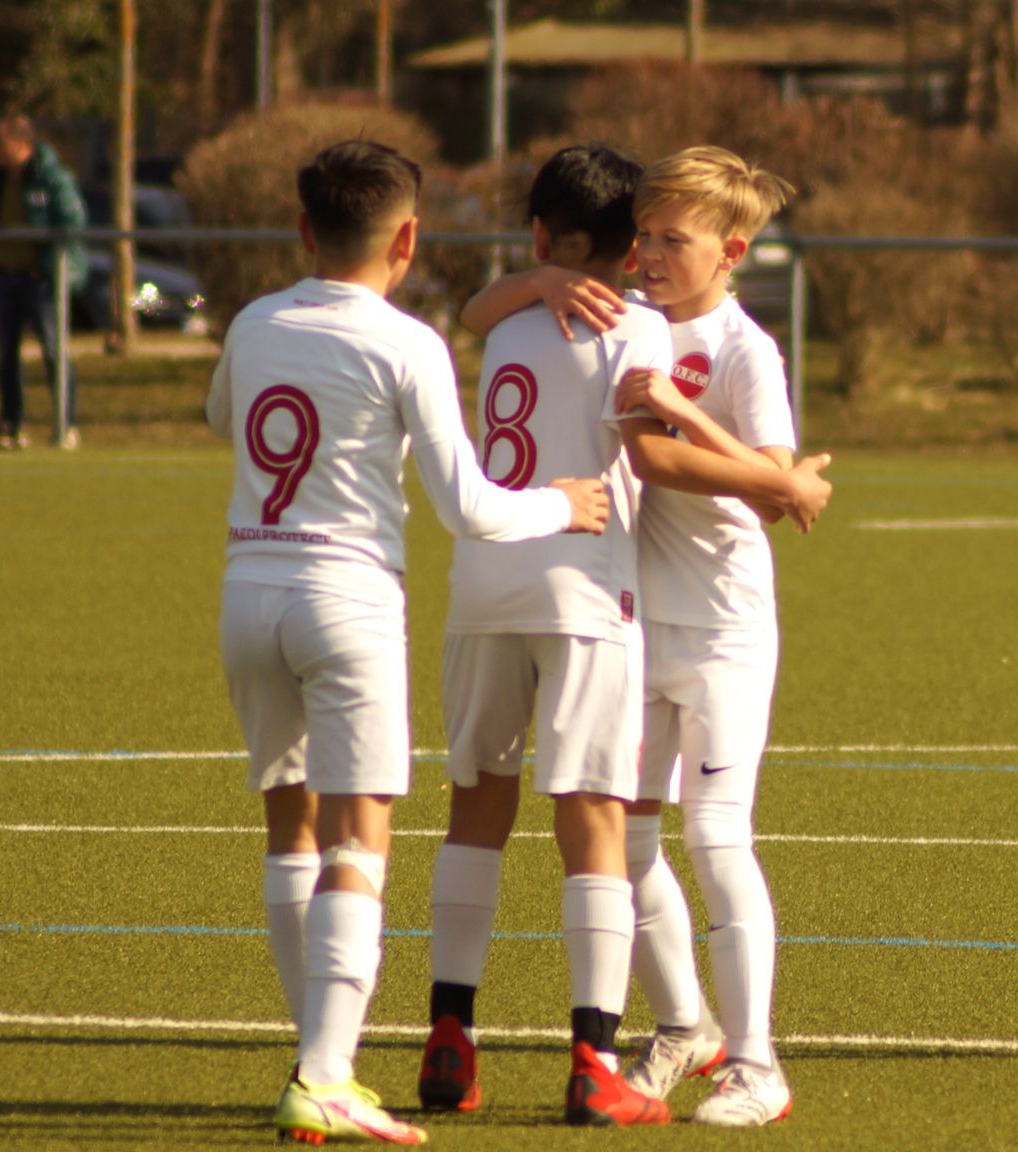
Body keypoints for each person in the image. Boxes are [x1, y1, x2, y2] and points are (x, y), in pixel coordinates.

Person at [204, 138, 610, 1146]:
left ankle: (316, 1059)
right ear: (408, 238)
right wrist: (560, 503)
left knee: (290, 831)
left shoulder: (253, 322)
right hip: (344, 601)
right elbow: (468, 506)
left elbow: (223, 418)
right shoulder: (406, 342)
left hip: (247, 591)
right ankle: (326, 1075)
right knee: (357, 837)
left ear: (305, 230)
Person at [416, 143, 831, 1128]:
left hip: (721, 622)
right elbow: (682, 462)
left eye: (672, 238)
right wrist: (783, 483)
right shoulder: (622, 316)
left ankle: (758, 1065)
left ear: (730, 252)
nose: (648, 253)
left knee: (715, 836)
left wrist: (734, 448)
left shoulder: (742, 349)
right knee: (631, 841)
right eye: (643, 234)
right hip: (629, 619)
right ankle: (683, 1026)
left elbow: (748, 478)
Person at [0, 114, 88, 449]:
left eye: (0, 142)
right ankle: (12, 425)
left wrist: (47, 265)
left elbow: (73, 221)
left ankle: (65, 424)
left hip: (39, 281)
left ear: (21, 143)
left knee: (54, 351)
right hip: (2, 278)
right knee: (6, 356)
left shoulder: (51, 177)